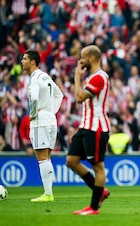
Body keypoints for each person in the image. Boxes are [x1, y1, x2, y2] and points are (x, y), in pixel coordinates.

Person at [66, 45, 110, 215]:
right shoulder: (92, 77)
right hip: (85, 127)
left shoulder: (99, 78)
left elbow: (79, 97)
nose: (80, 61)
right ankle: (101, 191)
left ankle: (94, 207)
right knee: (71, 160)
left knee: (98, 167)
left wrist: (76, 78)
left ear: (91, 58)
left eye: (83, 57)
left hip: (96, 128)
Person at [21, 49, 64, 202]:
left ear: (33, 61)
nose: (22, 61)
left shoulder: (35, 79)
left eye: (25, 59)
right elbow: (59, 94)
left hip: (40, 121)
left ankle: (48, 194)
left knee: (42, 158)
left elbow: (33, 98)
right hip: (51, 119)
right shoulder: (45, 76)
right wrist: (51, 110)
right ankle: (49, 193)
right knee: (46, 158)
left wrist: (32, 115)